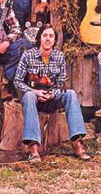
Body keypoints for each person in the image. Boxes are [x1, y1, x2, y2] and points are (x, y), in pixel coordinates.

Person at [14, 24, 90, 163]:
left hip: (52, 99)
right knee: (29, 96)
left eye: (51, 36)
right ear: (39, 38)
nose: (48, 39)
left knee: (71, 94)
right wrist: (35, 92)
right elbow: (17, 81)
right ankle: (34, 148)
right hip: (34, 101)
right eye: (45, 36)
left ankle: (77, 142)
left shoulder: (60, 56)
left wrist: (53, 93)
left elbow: (61, 82)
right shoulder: (28, 55)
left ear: (55, 40)